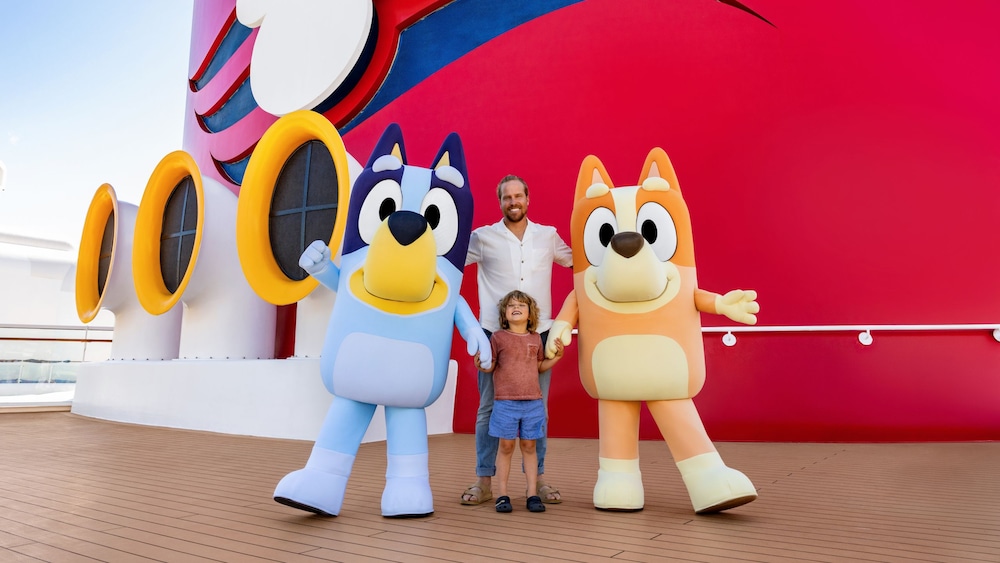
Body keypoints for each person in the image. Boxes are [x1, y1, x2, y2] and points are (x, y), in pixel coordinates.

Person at [461, 174, 573, 506]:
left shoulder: (548, 237)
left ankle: (536, 481)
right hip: (493, 335)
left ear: (528, 198)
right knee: (488, 409)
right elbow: (447, 262)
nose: (513, 202)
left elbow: (581, 264)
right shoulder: (481, 238)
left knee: (538, 409)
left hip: (539, 335)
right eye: (507, 197)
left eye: (518, 196)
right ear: (500, 203)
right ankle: (483, 481)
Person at [474, 290, 565, 512]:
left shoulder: (535, 338)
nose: (516, 307)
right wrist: (480, 364)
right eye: (511, 305)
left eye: (522, 305)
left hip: (532, 403)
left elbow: (539, 367)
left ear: (530, 313)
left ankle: (532, 493)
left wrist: (558, 357)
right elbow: (491, 366)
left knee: (529, 446)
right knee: (505, 447)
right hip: (505, 403)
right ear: (504, 314)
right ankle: (502, 493)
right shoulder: (497, 338)